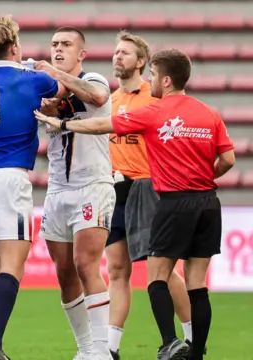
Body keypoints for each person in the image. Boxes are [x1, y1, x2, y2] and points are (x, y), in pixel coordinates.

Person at [35, 48, 235, 360]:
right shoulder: (209, 113)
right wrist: (204, 176)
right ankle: (195, 353)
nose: (151, 80)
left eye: (154, 75)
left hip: (170, 199)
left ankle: (170, 343)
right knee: (197, 283)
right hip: (208, 201)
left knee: (157, 276)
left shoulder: (156, 110)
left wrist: (63, 125)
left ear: (166, 80)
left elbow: (103, 126)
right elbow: (228, 159)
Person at [0, 15, 67, 360]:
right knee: (12, 266)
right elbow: (61, 91)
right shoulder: (34, 80)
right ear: (13, 46)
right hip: (9, 178)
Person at [105, 31, 195, 360]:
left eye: (125, 53)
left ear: (141, 62)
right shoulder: (108, 100)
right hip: (114, 191)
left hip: (148, 188)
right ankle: (110, 348)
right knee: (117, 270)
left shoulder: (154, 98)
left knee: (164, 269)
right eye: (115, 52)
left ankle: (189, 339)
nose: (117, 57)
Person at [34, 26, 114, 360]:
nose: (58, 49)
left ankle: (101, 350)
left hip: (92, 184)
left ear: (81, 53)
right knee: (65, 271)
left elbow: (96, 98)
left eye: (66, 44)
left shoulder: (95, 78)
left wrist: (52, 71)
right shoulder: (49, 90)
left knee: (86, 264)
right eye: (54, 44)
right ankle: (84, 350)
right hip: (58, 189)